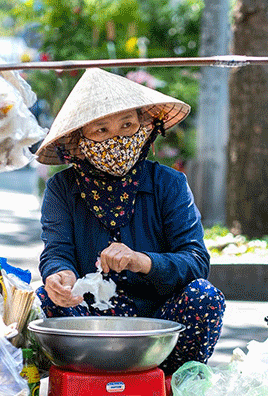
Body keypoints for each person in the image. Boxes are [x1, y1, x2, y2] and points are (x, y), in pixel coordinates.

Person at [34, 68, 225, 375]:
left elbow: (196, 261)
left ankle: (172, 389)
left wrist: (141, 261)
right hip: (90, 321)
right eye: (101, 130)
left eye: (127, 124)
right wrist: (61, 276)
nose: (117, 138)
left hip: (158, 324)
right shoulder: (62, 189)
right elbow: (57, 251)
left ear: (144, 127)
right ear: (80, 140)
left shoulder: (169, 184)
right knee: (44, 298)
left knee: (205, 297)